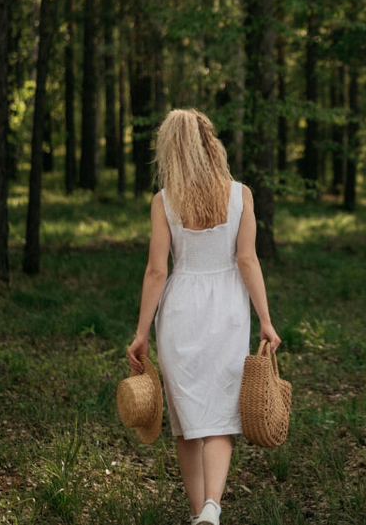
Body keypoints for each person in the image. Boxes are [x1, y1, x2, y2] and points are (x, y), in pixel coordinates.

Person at [127, 109, 281, 525]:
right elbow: (247, 260)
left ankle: (200, 513)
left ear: (170, 150)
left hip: (181, 310)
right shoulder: (240, 194)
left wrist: (141, 333)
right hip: (228, 309)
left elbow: (157, 271)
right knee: (220, 414)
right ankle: (211, 507)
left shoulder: (164, 201)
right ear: (210, 143)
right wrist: (265, 319)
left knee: (187, 418)